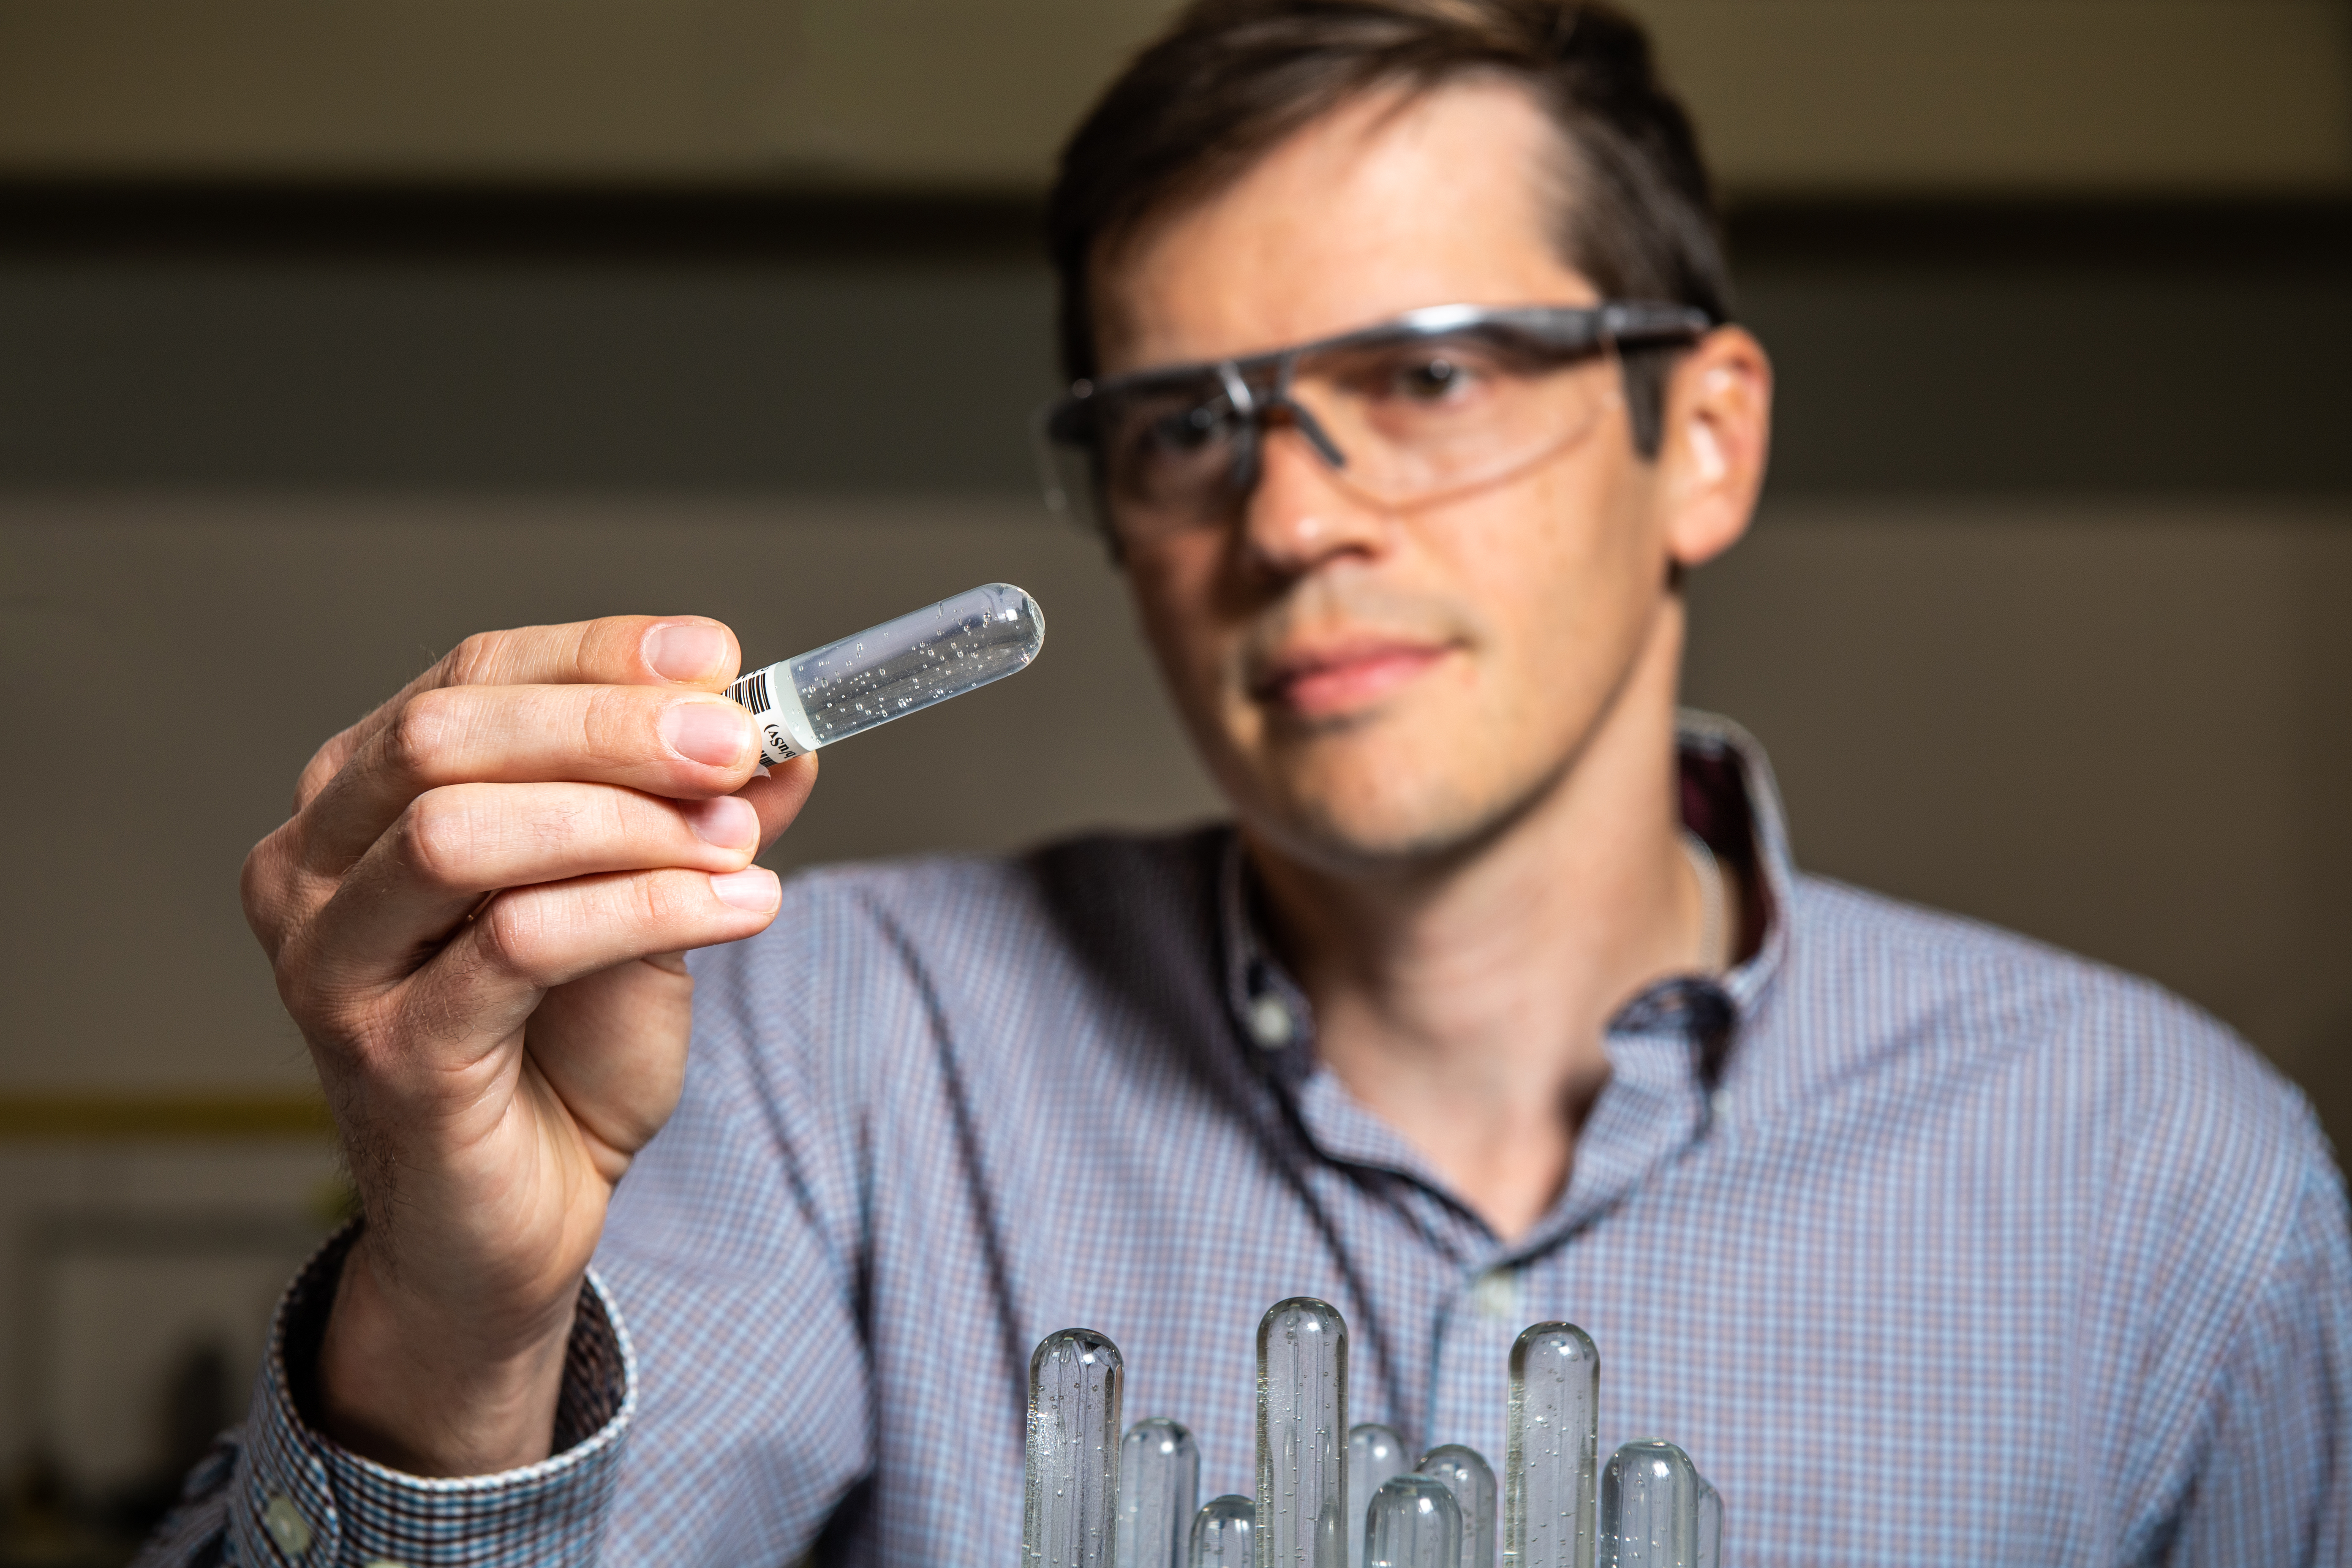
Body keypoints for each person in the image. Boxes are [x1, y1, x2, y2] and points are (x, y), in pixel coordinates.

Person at [142, 2, 2348, 1564]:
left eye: (1428, 375)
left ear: (1705, 438)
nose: (1290, 522)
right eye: (1189, 424)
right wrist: (455, 1326)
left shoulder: (2169, 1186)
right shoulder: (808, 1054)